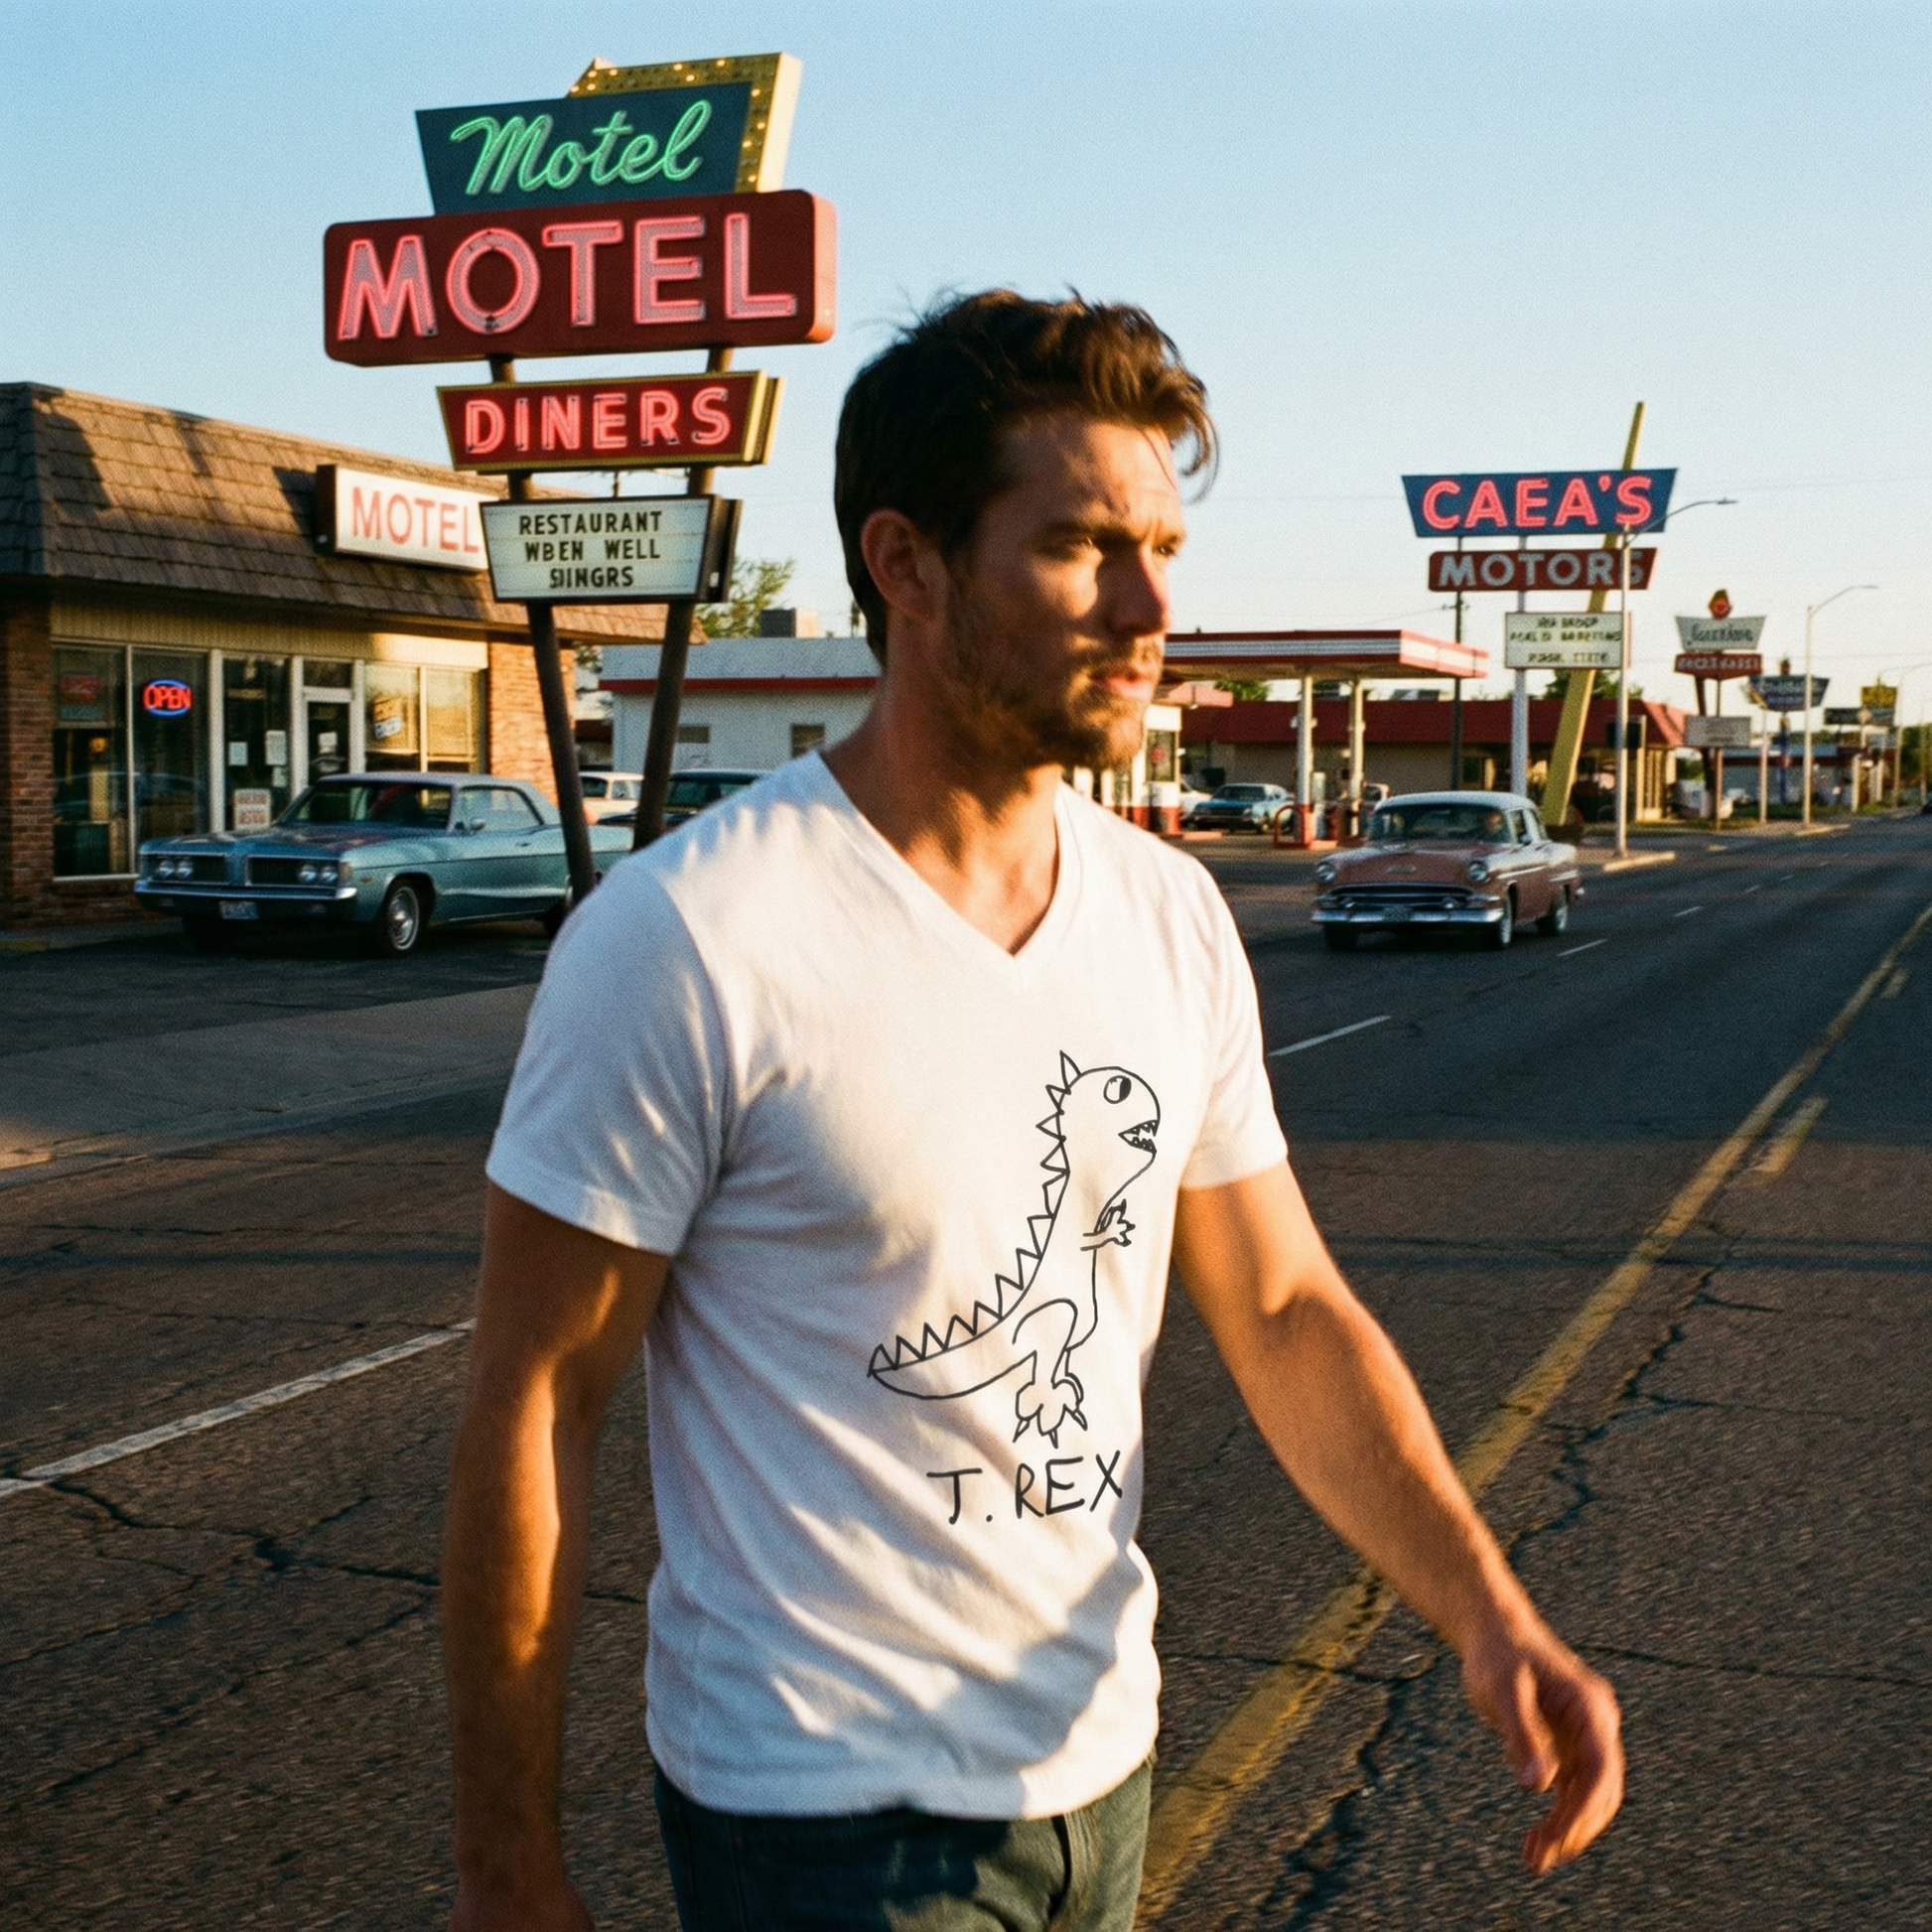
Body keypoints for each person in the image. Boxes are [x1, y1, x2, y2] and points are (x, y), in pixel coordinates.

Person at [443, 291, 1622, 1932]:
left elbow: (1281, 1307)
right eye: (1080, 547)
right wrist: (508, 1873)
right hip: (820, 1816)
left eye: (1162, 547)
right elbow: (536, 1408)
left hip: (1099, 1764)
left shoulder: (1166, 913)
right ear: (907, 565)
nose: (1149, 607)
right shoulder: (689, 935)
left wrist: (1487, 1613)